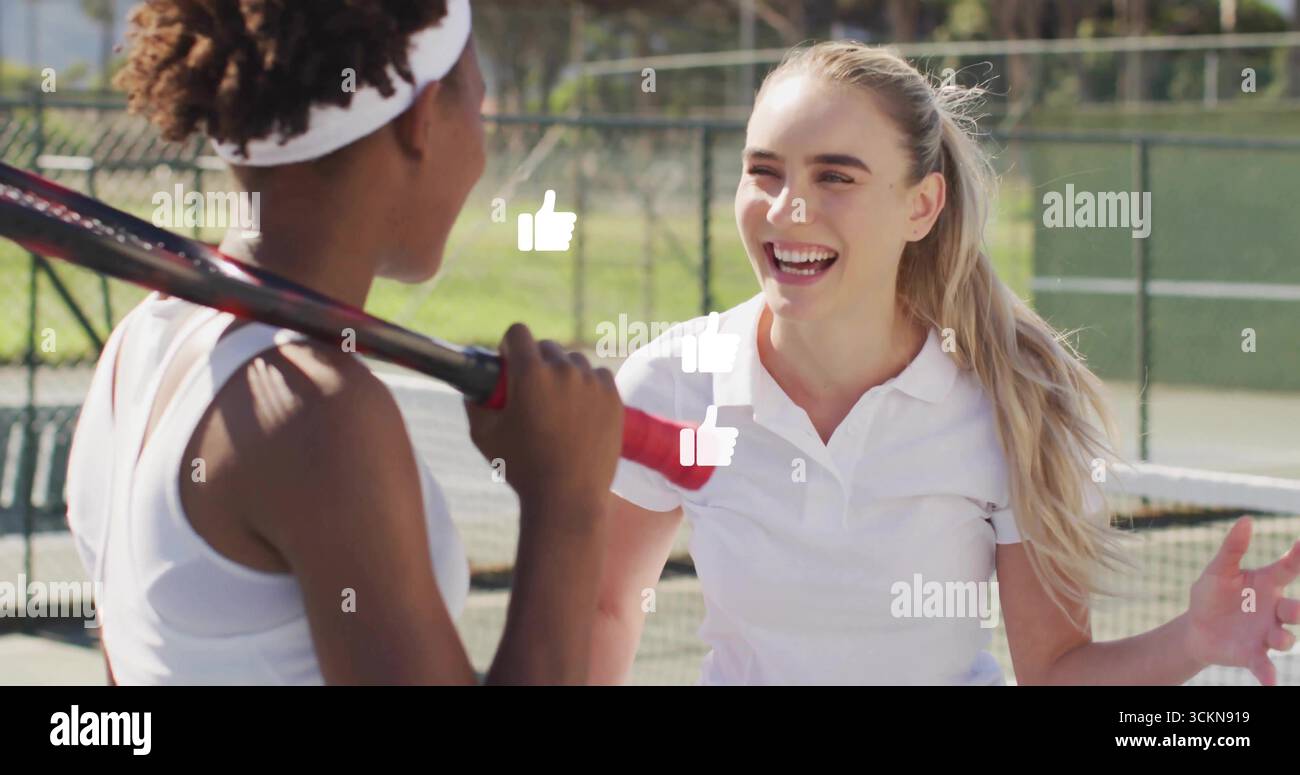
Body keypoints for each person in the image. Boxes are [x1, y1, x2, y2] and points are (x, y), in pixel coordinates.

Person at [590, 41, 1300, 686]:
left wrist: (1193, 639)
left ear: (922, 206)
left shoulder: (1012, 401)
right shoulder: (673, 384)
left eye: (836, 176)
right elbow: (604, 611)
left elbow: (1054, 671)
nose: (789, 208)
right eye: (763, 172)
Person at [65, 0, 623, 685]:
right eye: (479, 108)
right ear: (422, 119)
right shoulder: (319, 414)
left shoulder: (140, 342)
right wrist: (567, 499)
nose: (484, 149)